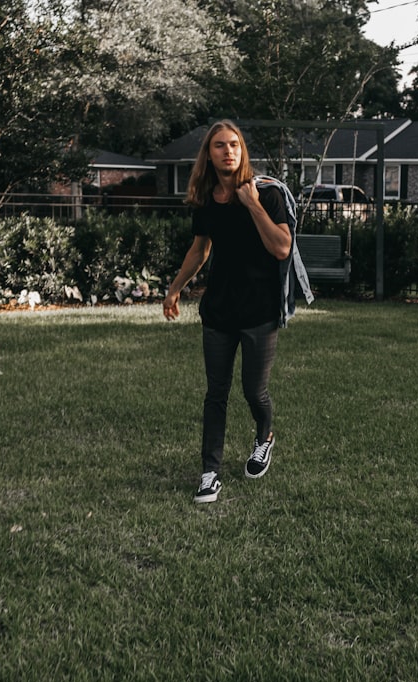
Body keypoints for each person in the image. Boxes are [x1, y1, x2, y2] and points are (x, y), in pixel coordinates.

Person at [163, 119, 303, 503]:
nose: (228, 151)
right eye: (220, 145)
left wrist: (252, 204)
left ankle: (265, 437)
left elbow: (281, 248)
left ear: (243, 152)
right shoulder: (208, 199)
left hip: (259, 312)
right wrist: (175, 288)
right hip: (219, 311)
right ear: (208, 154)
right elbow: (200, 249)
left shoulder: (267, 195)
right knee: (216, 394)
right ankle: (209, 471)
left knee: (254, 392)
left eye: (235, 145)